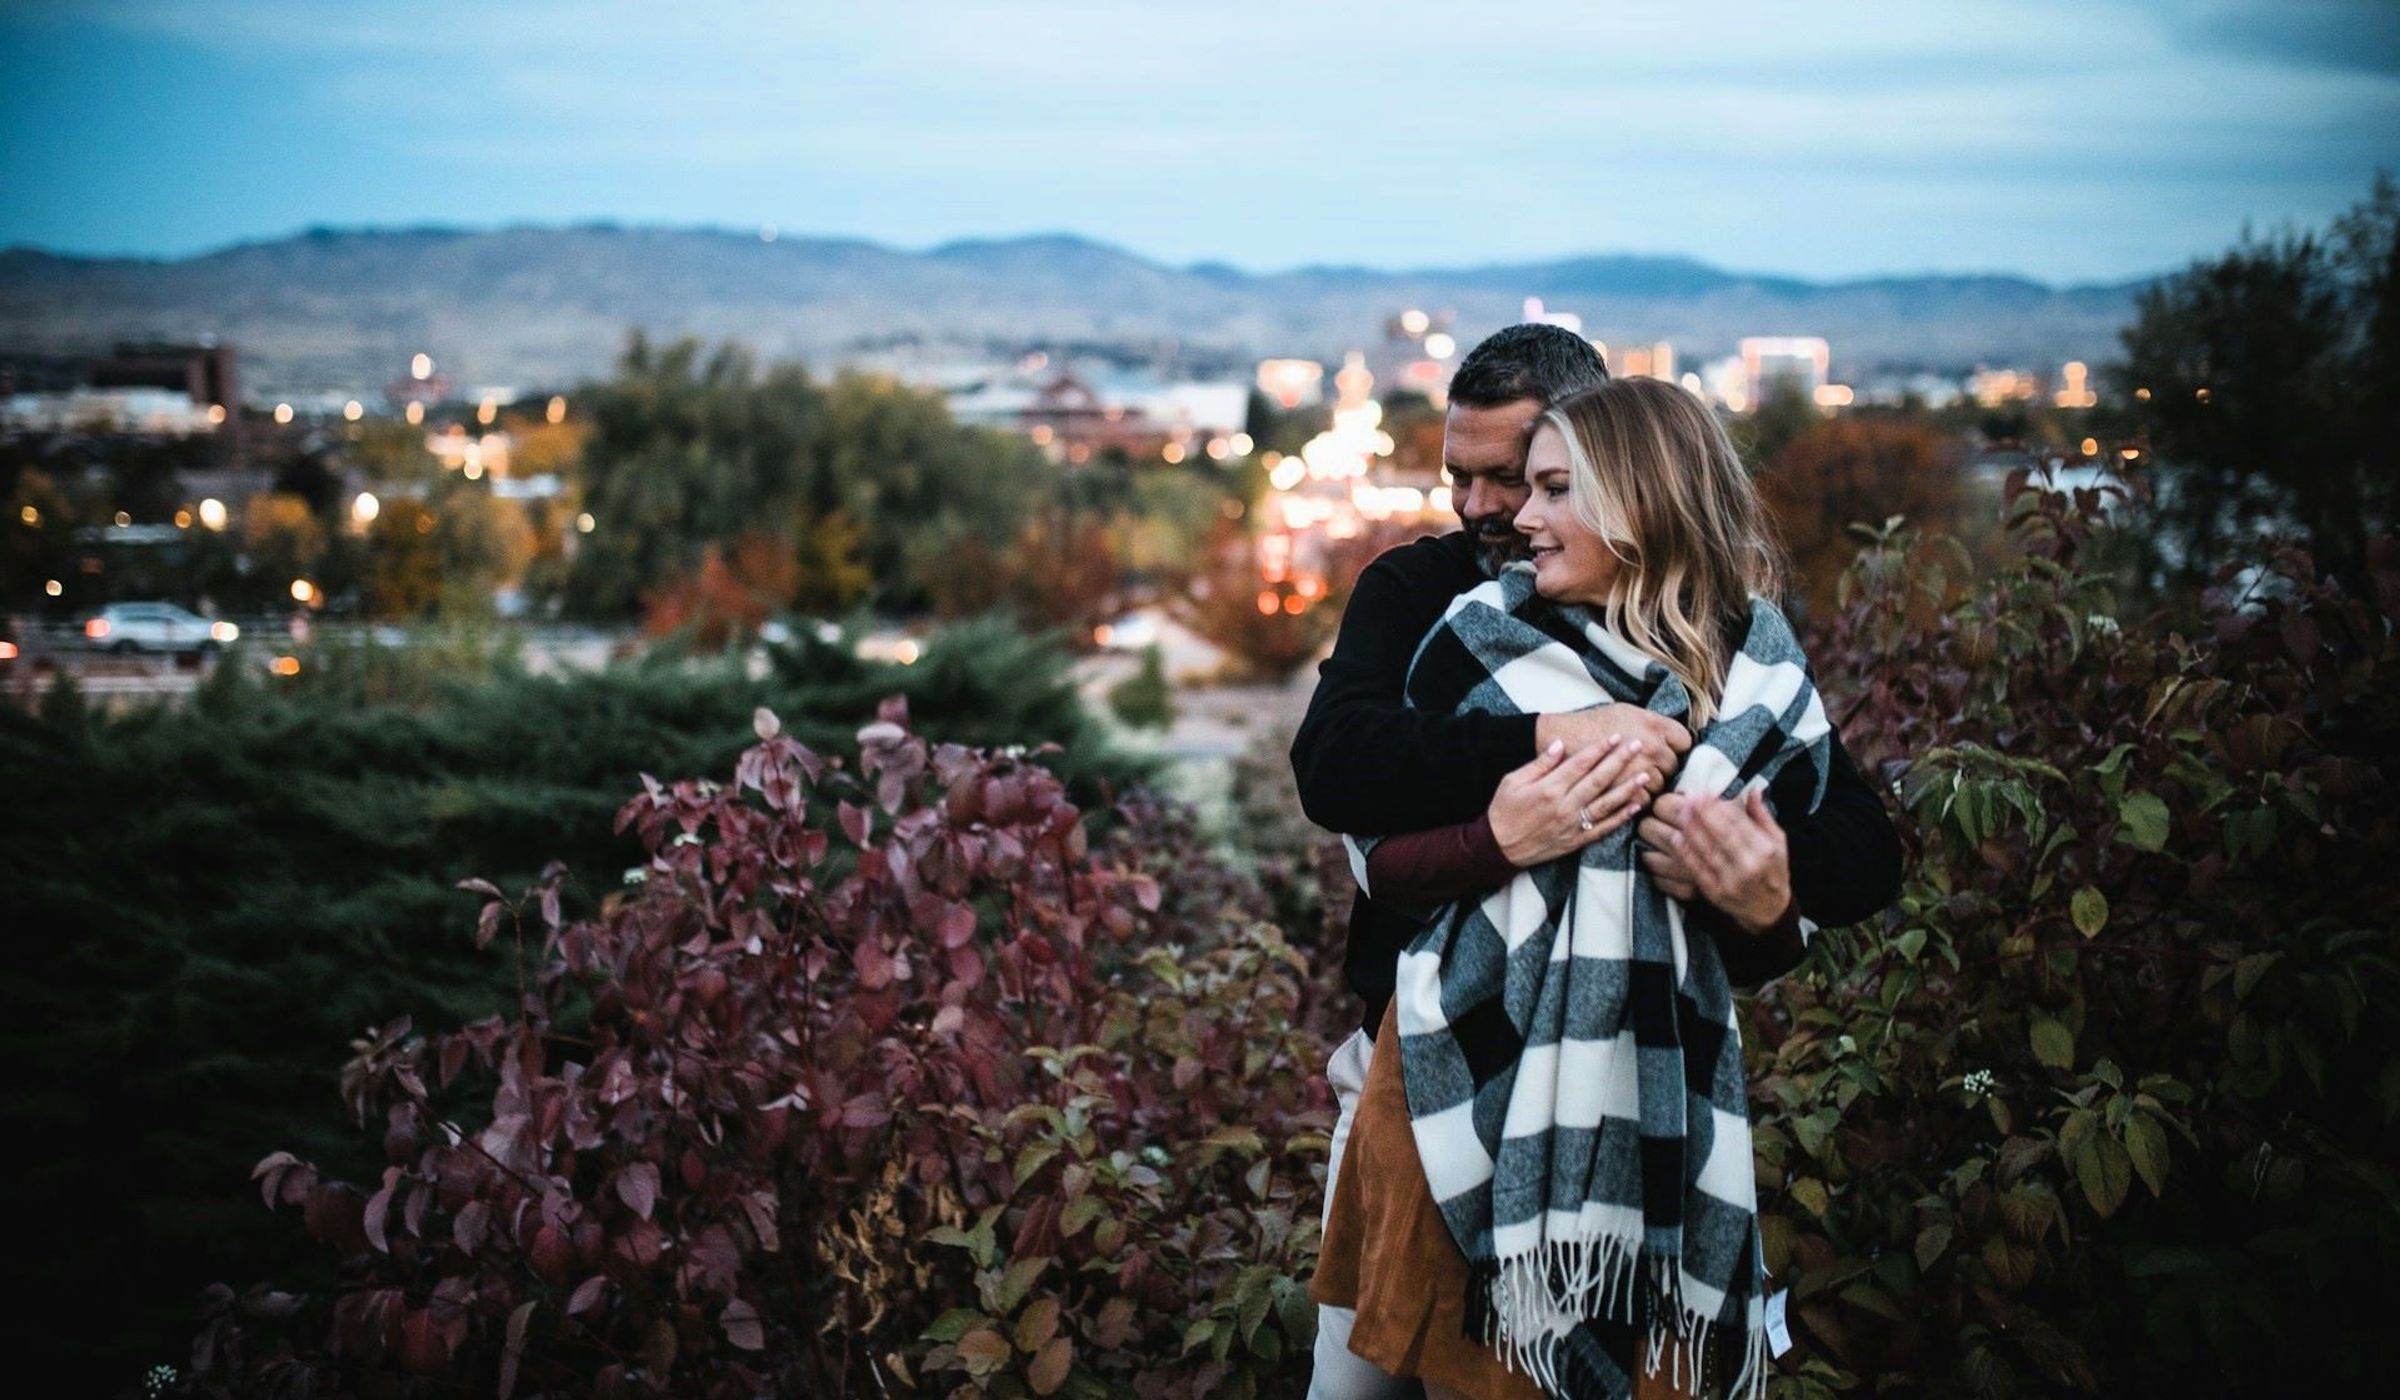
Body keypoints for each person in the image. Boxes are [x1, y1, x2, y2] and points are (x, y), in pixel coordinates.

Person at [1295, 340, 1902, 1399]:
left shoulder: (1740, 661)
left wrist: (1767, 880)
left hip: (1648, 1088)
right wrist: (1549, 745)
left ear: (1617, 469)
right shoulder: (1441, 606)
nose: (1489, 508)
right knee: (1362, 1383)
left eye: (1526, 477)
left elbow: (1858, 844)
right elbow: (1339, 771)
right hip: (1435, 1059)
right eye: (1463, 477)